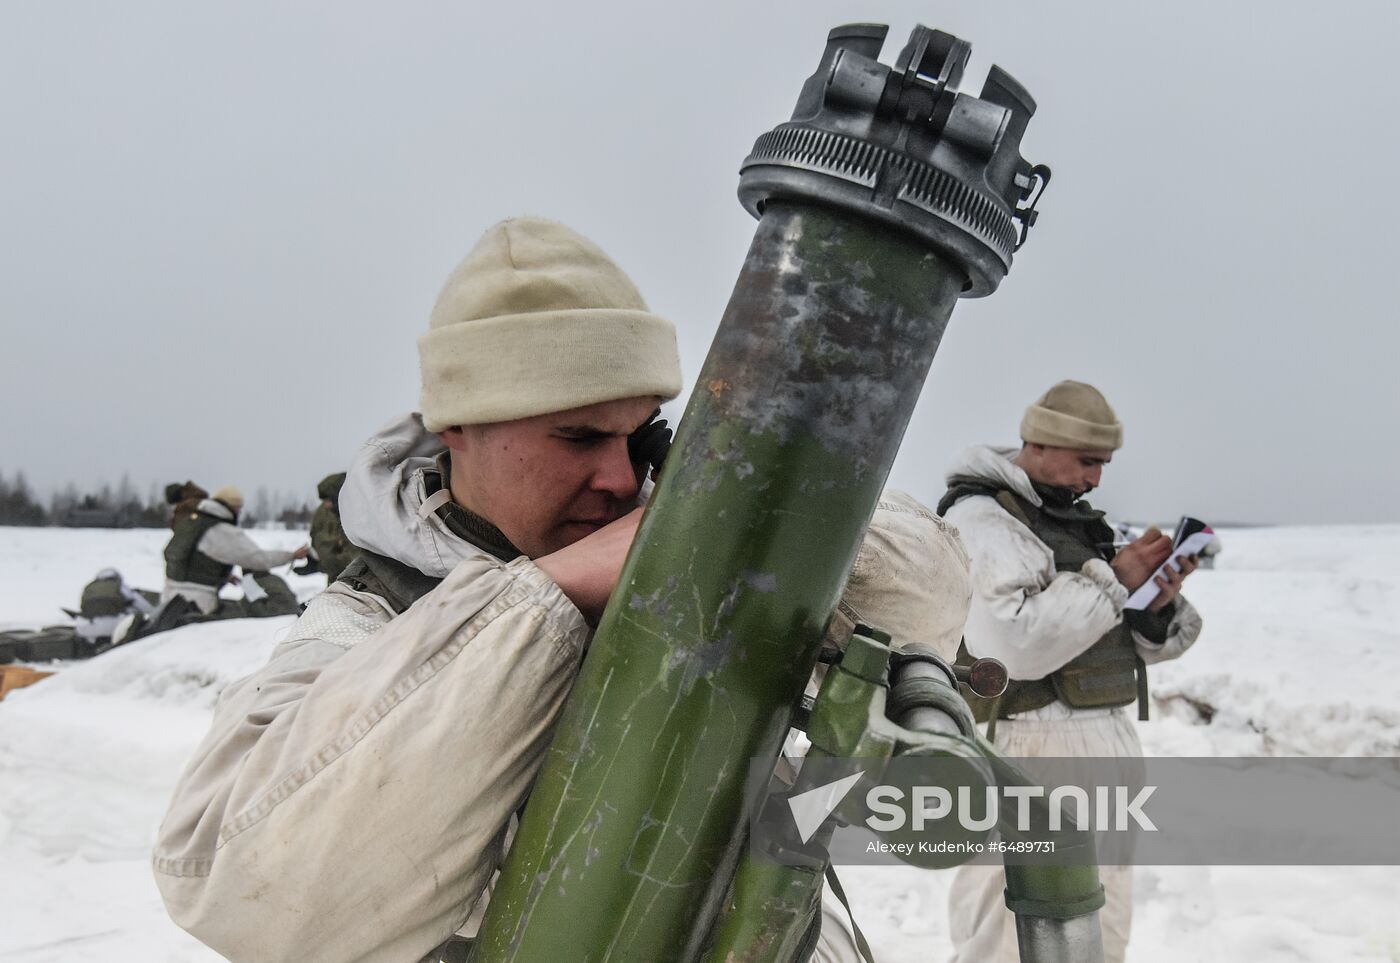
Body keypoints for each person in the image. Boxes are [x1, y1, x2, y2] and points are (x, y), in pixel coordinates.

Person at [152, 217, 962, 963]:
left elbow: (933, 600)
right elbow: (227, 883)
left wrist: (732, 515)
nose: (617, 477)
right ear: (456, 424)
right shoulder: (363, 628)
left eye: (639, 437)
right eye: (576, 436)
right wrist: (545, 599)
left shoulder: (684, 553)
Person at [938, 380, 1203, 963]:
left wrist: (1153, 608)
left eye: (1104, 464)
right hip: (1034, 742)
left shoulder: (1072, 521)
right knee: (1012, 923)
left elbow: (1109, 640)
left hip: (1102, 737)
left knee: (1101, 918)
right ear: (1040, 444)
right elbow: (1011, 645)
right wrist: (1114, 580)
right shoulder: (987, 520)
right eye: (1088, 461)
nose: (1097, 479)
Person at [160, 485, 308, 616]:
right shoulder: (221, 530)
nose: (240, 512)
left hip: (170, 596)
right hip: (198, 601)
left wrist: (222, 575)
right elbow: (258, 559)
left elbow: (192, 557)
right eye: (238, 507)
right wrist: (292, 555)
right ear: (231, 506)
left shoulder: (194, 522)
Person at [306, 471, 354, 582]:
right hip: (335, 578)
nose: (326, 505)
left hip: (357, 582)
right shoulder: (323, 512)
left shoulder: (358, 514)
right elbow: (315, 535)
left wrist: (321, 567)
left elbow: (355, 558)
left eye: (329, 500)